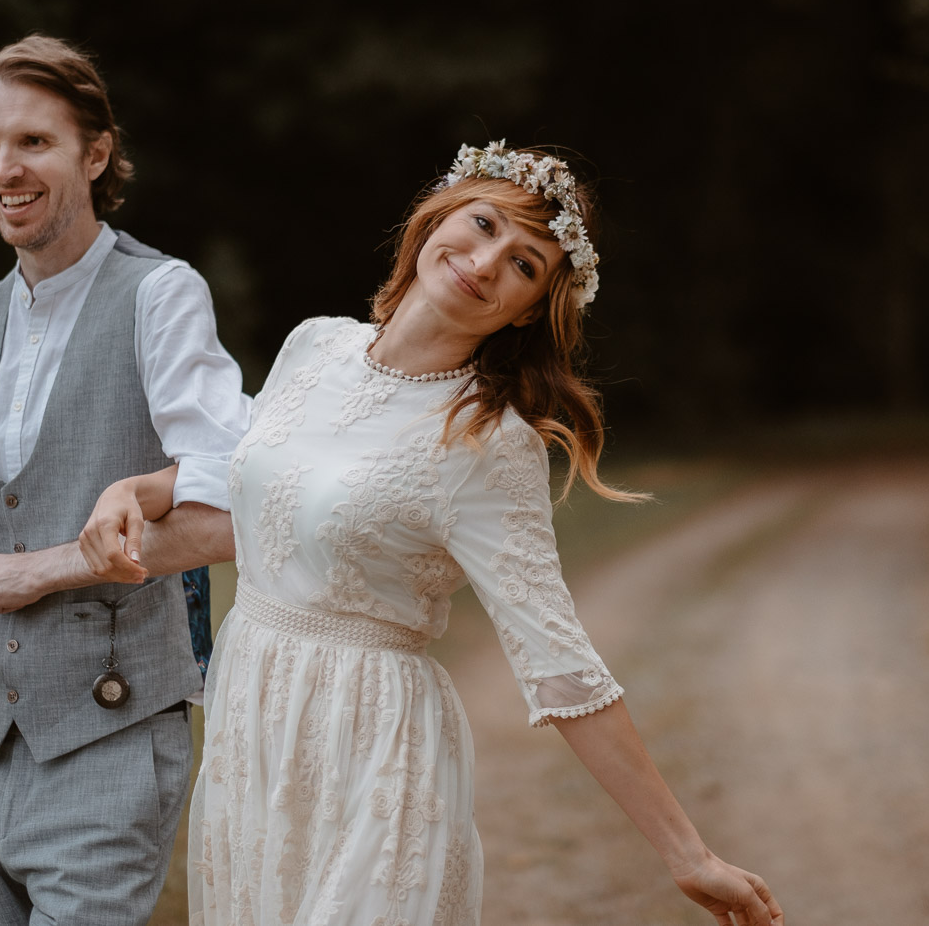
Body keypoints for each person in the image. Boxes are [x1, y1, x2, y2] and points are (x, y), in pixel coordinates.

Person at [84, 141, 784, 925]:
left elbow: (560, 664)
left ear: (529, 309)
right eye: (483, 225)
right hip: (253, 724)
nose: (485, 262)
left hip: (376, 747)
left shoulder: (492, 442)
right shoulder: (313, 345)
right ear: (438, 216)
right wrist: (134, 490)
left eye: (524, 265)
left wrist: (689, 855)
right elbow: (262, 480)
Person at [0, 35, 249, 924]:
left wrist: (46, 568)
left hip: (110, 737)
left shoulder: (161, 295)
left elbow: (229, 502)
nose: (5, 168)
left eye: (34, 142)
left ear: (96, 152)